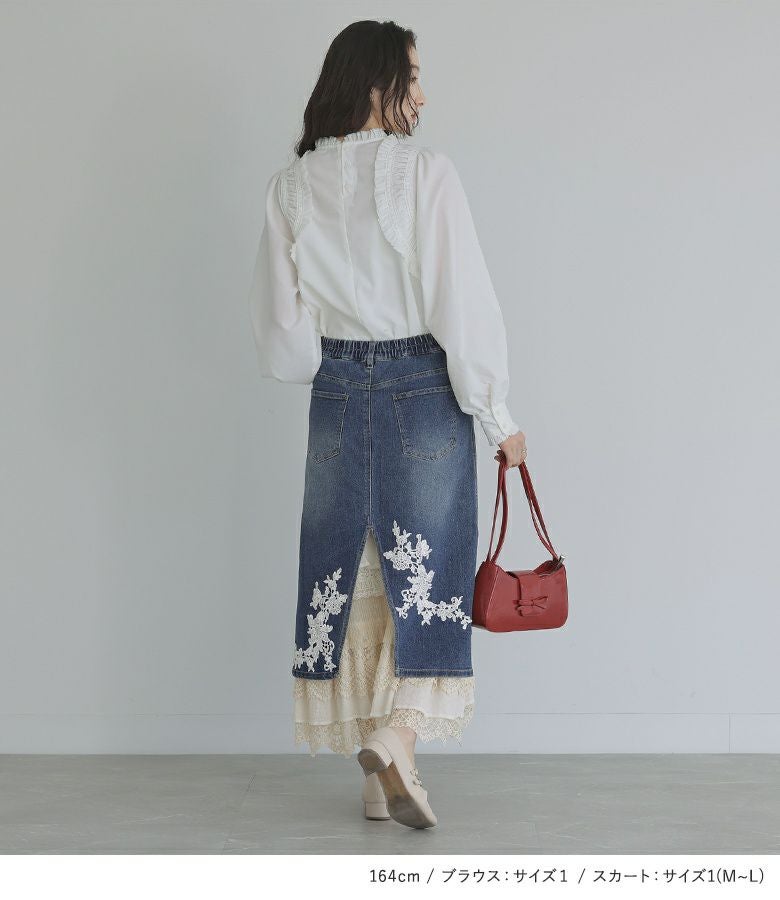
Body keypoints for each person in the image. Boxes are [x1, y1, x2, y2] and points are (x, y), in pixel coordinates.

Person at [247, 19, 526, 829]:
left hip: (335, 390)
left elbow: (283, 340)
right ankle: (398, 739)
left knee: (355, 571)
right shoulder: (423, 172)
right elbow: (460, 301)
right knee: (426, 572)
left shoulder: (290, 187)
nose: (423, 95)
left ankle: (377, 782)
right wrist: (498, 414)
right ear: (377, 84)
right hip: (421, 388)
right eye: (413, 75)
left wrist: (336, 357)